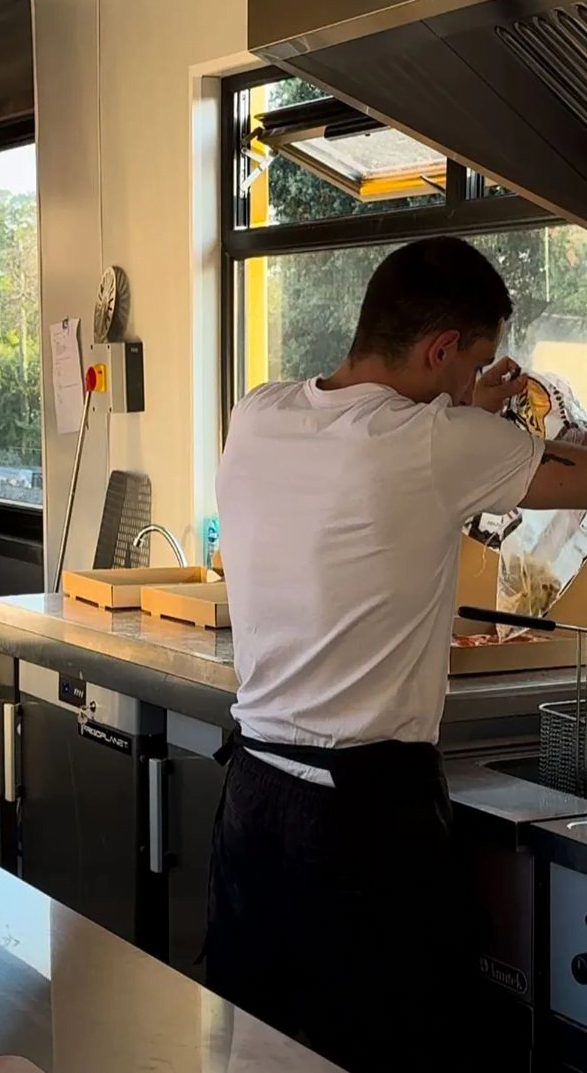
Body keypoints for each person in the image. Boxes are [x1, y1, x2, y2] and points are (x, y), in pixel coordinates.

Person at [208, 236, 587, 1073]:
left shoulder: (259, 412)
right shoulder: (435, 441)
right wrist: (515, 421)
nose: (470, 384)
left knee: (257, 1053)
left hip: (254, 800)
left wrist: (468, 409)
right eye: (472, 362)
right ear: (441, 347)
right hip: (363, 820)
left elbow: (403, 449)